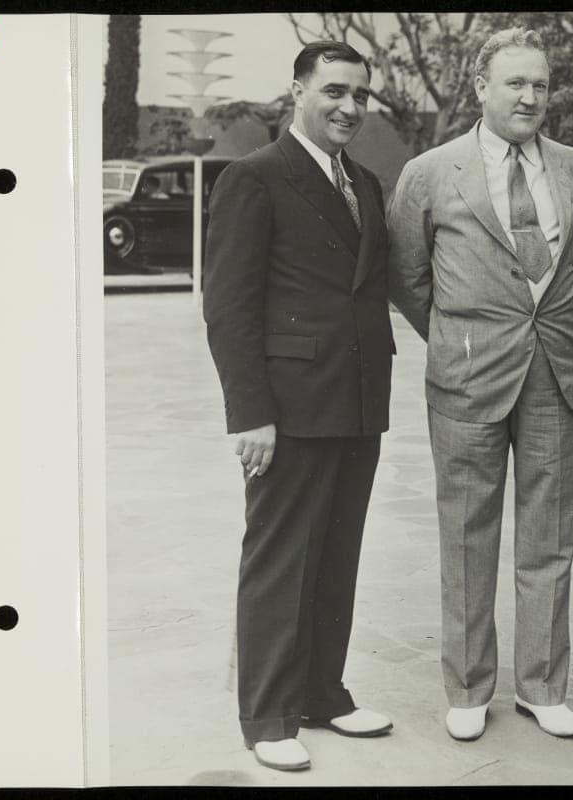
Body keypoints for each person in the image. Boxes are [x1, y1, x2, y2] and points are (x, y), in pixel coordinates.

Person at [387, 27, 573, 743]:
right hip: (468, 377)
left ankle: (543, 686)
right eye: (514, 83)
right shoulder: (430, 171)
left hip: (555, 372)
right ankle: (470, 687)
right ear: (481, 88)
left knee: (551, 538)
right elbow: (407, 277)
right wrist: (460, 337)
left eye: (539, 84)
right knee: (468, 537)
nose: (529, 97)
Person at [202, 40, 395, 772]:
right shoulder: (255, 178)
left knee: (336, 555)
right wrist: (249, 413)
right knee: (280, 558)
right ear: (297, 92)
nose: (348, 107)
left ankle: (322, 694)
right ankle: (267, 714)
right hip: (287, 405)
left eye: (359, 95)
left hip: (357, 400)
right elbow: (228, 306)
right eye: (333, 92)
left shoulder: (366, 183)